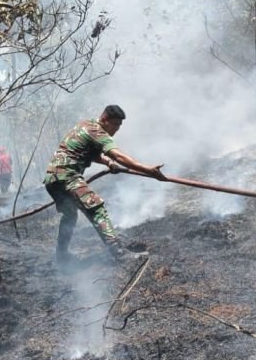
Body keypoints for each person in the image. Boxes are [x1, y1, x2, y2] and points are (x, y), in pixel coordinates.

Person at [43, 104, 165, 265]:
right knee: (96, 208)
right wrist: (148, 170)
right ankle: (119, 253)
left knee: (70, 215)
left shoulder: (85, 125)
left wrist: (107, 162)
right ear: (104, 119)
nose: (116, 129)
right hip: (68, 176)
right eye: (114, 124)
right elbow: (119, 156)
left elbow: (90, 153)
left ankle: (62, 255)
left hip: (53, 179)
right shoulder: (98, 132)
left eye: (119, 126)